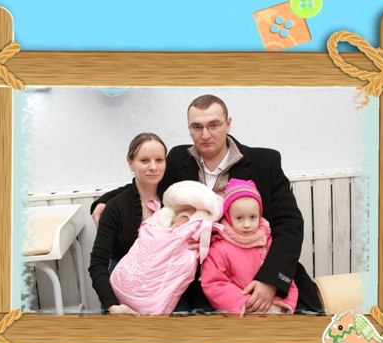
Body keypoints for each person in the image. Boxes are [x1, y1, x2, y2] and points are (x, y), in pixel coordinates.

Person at [91, 94, 323, 313]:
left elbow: (290, 224)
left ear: (228, 124)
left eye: (214, 125)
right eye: (197, 127)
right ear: (189, 128)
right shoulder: (178, 158)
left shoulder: (265, 162)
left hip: (257, 269)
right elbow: (149, 182)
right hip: (202, 281)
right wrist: (105, 201)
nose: (205, 134)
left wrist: (270, 280)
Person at [110, 180, 223, 315]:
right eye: (178, 221)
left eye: (182, 221)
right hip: (148, 251)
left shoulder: (192, 223)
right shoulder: (162, 216)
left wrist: (183, 224)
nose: (152, 168)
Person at [88, 132, 167, 315]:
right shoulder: (115, 207)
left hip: (163, 287)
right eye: (144, 161)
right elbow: (98, 263)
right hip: (123, 290)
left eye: (159, 160)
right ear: (130, 163)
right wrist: (112, 305)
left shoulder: (174, 200)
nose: (153, 167)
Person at [201, 178, 298, 315]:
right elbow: (214, 283)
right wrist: (245, 303)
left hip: (273, 308)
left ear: (260, 215)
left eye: (252, 217)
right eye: (239, 218)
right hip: (242, 312)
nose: (247, 225)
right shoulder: (219, 248)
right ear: (228, 217)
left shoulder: (268, 241)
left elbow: (285, 277)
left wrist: (279, 305)